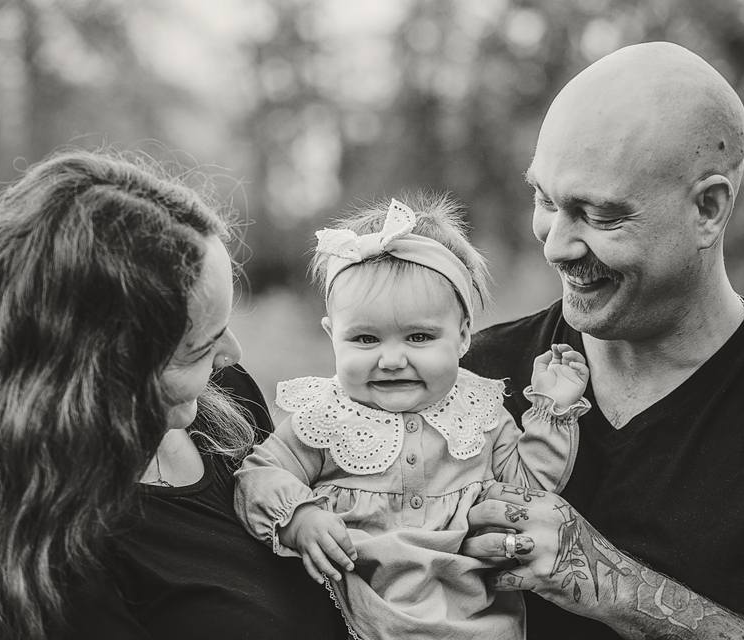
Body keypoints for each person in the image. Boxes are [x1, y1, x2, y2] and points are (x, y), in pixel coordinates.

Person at [459, 41, 744, 640]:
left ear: (708, 209)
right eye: (545, 200)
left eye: (600, 215)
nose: (555, 244)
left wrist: (614, 587)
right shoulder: (470, 377)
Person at [0, 149, 345, 640]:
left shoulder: (227, 404)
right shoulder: (41, 560)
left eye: (225, 325)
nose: (232, 354)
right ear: (105, 372)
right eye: (198, 347)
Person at [234, 195, 591, 639]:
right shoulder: (327, 417)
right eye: (365, 339)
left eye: (419, 337)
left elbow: (528, 491)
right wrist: (299, 518)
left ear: (463, 335)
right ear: (332, 336)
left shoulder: (478, 413)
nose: (391, 360)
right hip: (354, 612)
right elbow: (259, 473)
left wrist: (551, 411)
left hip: (472, 622)